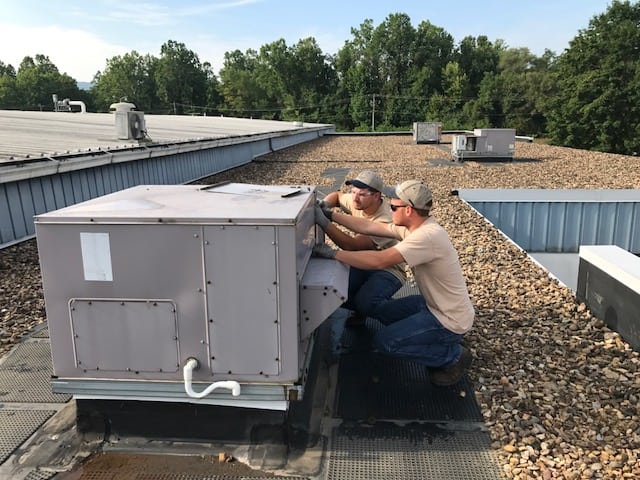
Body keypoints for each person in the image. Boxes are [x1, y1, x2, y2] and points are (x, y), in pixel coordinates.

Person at [314, 179, 475, 386]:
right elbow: (370, 226)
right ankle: (429, 339)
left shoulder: (427, 237)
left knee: (386, 343)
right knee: (380, 309)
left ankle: (453, 355)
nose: (390, 210)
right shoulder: (417, 226)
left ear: (408, 210)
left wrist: (334, 254)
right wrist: (329, 216)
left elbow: (380, 260)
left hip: (448, 320)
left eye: (393, 207)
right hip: (431, 305)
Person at [316, 170, 406, 326]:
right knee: (335, 291)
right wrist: (325, 204)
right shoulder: (357, 201)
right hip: (364, 261)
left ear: (377, 196)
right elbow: (336, 196)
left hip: (388, 270)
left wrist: (324, 222)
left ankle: (404, 320)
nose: (355, 198)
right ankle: (366, 307)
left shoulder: (385, 219)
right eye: (353, 192)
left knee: (366, 302)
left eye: (361, 194)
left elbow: (352, 246)